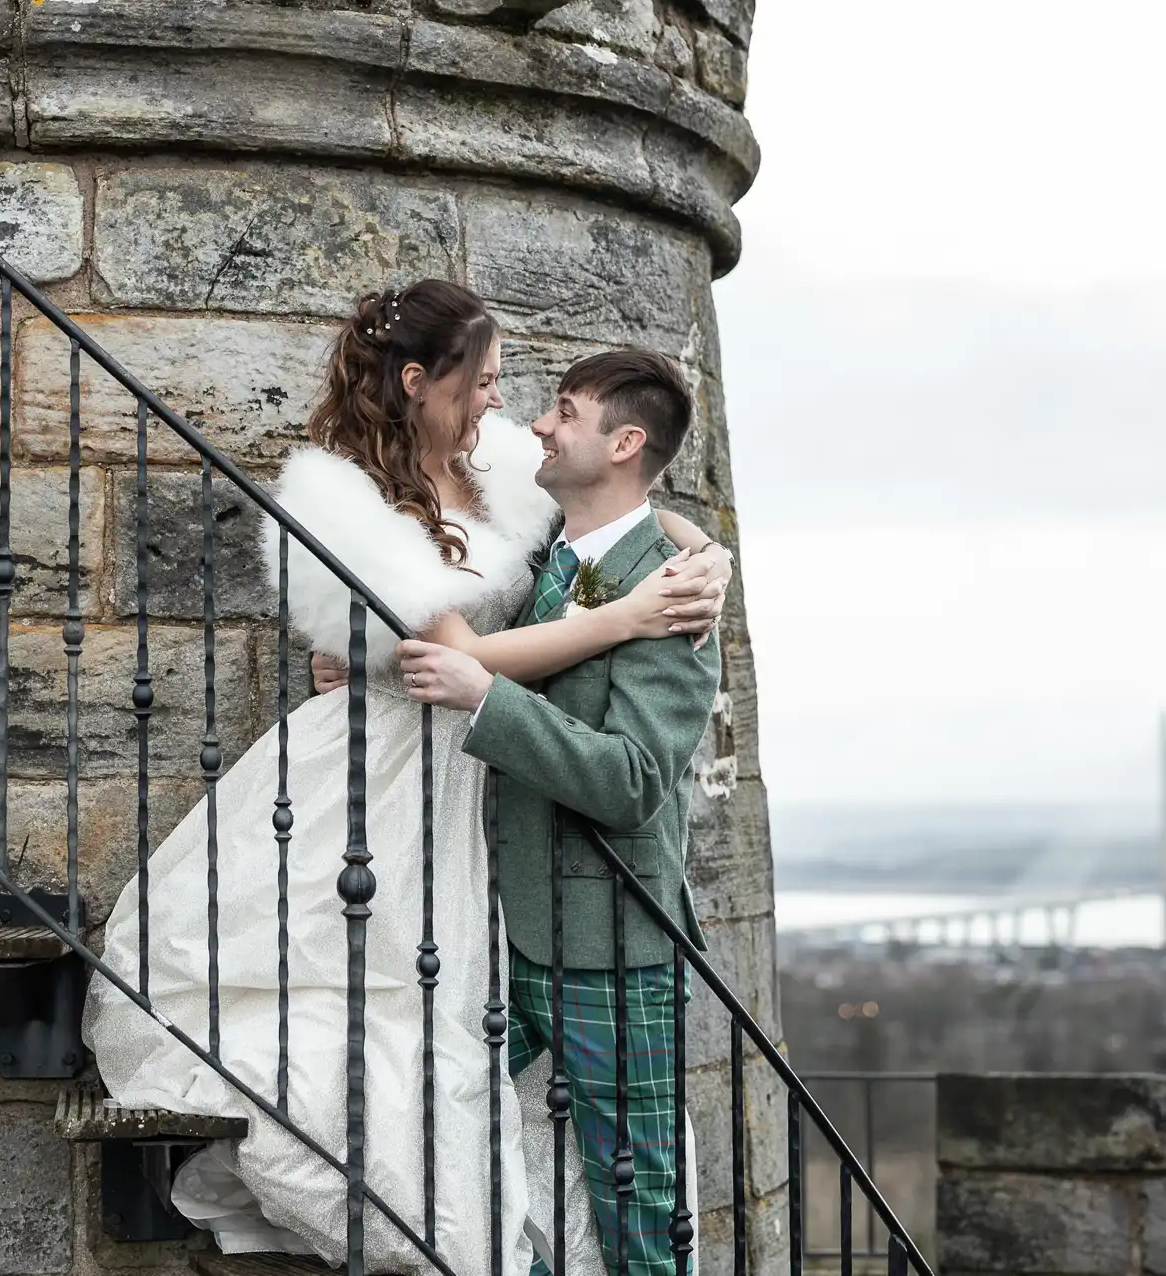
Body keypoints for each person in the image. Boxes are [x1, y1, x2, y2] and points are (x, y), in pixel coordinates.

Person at [85, 280, 730, 1275]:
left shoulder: (502, 460)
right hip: (404, 776)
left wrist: (699, 551)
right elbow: (458, 649)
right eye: (484, 381)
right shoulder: (335, 493)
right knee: (382, 1023)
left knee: (523, 1084)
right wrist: (624, 618)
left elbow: (618, 494)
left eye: (520, 390)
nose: (505, 408)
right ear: (421, 379)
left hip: (487, 784)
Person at [393, 350, 721, 1276]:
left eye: (564, 413)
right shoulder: (552, 551)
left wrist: (484, 700)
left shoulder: (679, 593)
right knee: (418, 1142)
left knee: (642, 1216)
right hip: (498, 929)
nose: (538, 424)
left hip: (612, 944)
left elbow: (630, 780)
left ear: (623, 443)